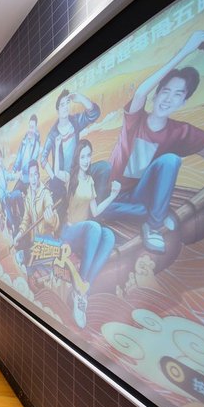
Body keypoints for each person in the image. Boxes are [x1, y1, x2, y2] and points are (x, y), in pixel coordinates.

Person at [99, 30, 204, 253]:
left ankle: (153, 225)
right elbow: (140, 93)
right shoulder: (135, 120)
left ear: (184, 102)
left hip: (141, 195)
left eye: (178, 94)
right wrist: (186, 50)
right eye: (165, 91)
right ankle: (156, 215)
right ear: (156, 94)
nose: (169, 99)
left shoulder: (180, 132)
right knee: (106, 210)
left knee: (170, 160)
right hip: (113, 197)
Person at [60, 140, 120, 328]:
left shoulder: (90, 180)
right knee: (95, 228)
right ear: (77, 158)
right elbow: (55, 172)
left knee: (109, 235)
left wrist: (113, 195)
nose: (86, 160)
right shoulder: (70, 178)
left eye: (89, 155)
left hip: (84, 232)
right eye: (83, 156)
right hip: (70, 231)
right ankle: (80, 288)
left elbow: (95, 211)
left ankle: (82, 291)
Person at [41, 90, 101, 205]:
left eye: (67, 103)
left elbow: (94, 114)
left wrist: (81, 98)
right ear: (57, 109)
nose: (65, 107)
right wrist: (54, 177)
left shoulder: (75, 121)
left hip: (78, 172)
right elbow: (43, 158)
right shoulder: (53, 134)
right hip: (62, 179)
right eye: (62, 104)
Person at [13, 159, 59, 251]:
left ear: (39, 175)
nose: (33, 179)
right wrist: (19, 234)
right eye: (31, 175)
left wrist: (51, 219)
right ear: (28, 178)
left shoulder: (45, 194)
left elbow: (56, 222)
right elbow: (26, 220)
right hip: (35, 243)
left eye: (35, 174)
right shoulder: (28, 197)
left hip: (47, 244)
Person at [0, 150, 17, 236]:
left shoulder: (4, 172)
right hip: (3, 199)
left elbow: (11, 176)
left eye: (1, 158)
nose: (1, 160)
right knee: (6, 203)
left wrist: (17, 175)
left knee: (18, 194)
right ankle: (12, 226)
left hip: (8, 194)